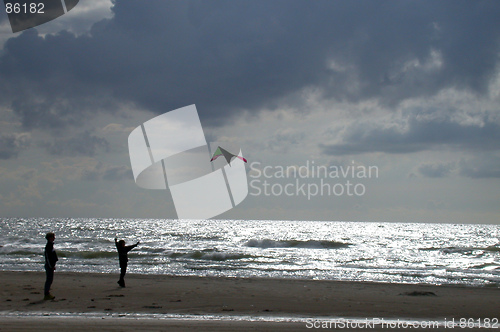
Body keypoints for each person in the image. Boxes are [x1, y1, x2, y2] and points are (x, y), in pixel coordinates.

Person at [44, 232, 58, 300]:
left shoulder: (51, 245)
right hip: (49, 266)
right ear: (50, 238)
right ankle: (46, 294)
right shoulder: (48, 246)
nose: (54, 238)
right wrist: (51, 266)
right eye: (53, 237)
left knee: (50, 280)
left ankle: (47, 293)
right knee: (49, 280)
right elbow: (48, 258)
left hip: (51, 265)